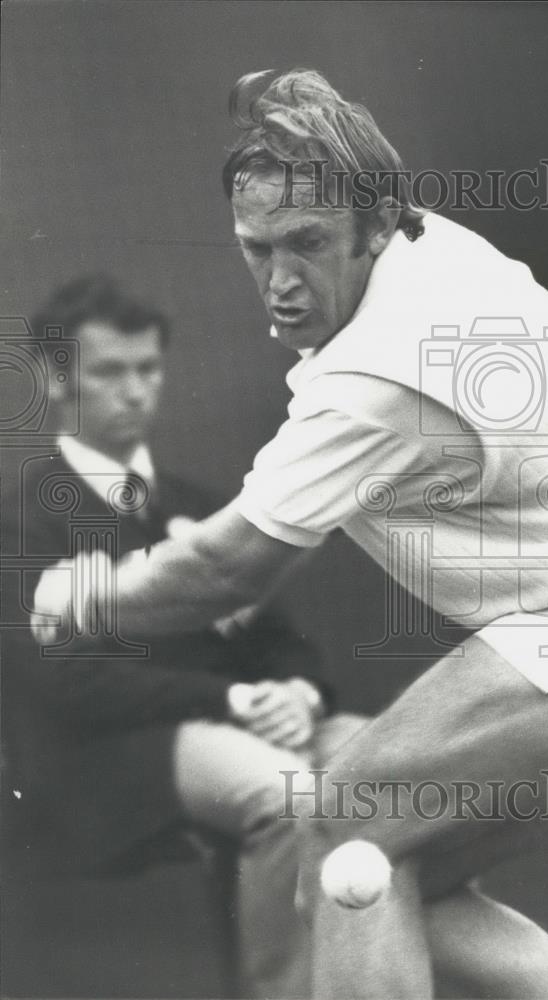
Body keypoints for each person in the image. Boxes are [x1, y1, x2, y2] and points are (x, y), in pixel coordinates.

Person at [32, 71, 548, 999]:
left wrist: (86, 594)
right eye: (256, 249)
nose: (282, 281)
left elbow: (227, 569)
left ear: (378, 227)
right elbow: (332, 133)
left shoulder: (377, 380)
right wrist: (277, 96)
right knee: (384, 872)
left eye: (306, 244)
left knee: (346, 822)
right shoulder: (426, 243)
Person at [2, 274, 363, 998]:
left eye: (148, 369)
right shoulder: (24, 517)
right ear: (57, 380)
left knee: (386, 765)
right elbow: (64, 682)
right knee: (289, 799)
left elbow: (277, 634)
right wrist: (232, 698)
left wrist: (294, 691)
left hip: (230, 724)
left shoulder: (200, 506)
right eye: (109, 371)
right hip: (100, 758)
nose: (135, 391)